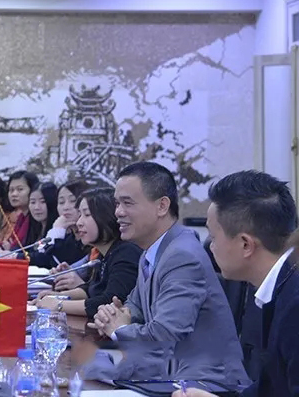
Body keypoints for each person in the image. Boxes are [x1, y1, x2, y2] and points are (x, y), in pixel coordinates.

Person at [89, 162, 248, 384]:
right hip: (166, 374)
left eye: (127, 203)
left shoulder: (182, 255)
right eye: (117, 203)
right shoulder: (151, 250)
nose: (118, 212)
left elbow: (164, 335)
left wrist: (119, 328)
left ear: (162, 206)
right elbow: (135, 305)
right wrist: (114, 314)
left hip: (206, 384)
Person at [171, 170, 299, 397]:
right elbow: (270, 388)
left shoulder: (294, 305)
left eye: (213, 236)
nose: (210, 246)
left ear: (245, 245)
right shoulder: (282, 286)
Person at [35, 188, 141, 318]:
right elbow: (93, 288)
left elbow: (109, 301)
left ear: (107, 216)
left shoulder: (127, 252)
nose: (79, 223)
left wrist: (59, 304)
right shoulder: (105, 253)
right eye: (79, 215)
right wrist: (58, 296)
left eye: (87, 214)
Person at [41, 180, 93, 278]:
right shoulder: (68, 237)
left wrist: (57, 231)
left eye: (73, 201)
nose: (65, 207)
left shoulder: (91, 238)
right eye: (61, 202)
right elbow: (42, 255)